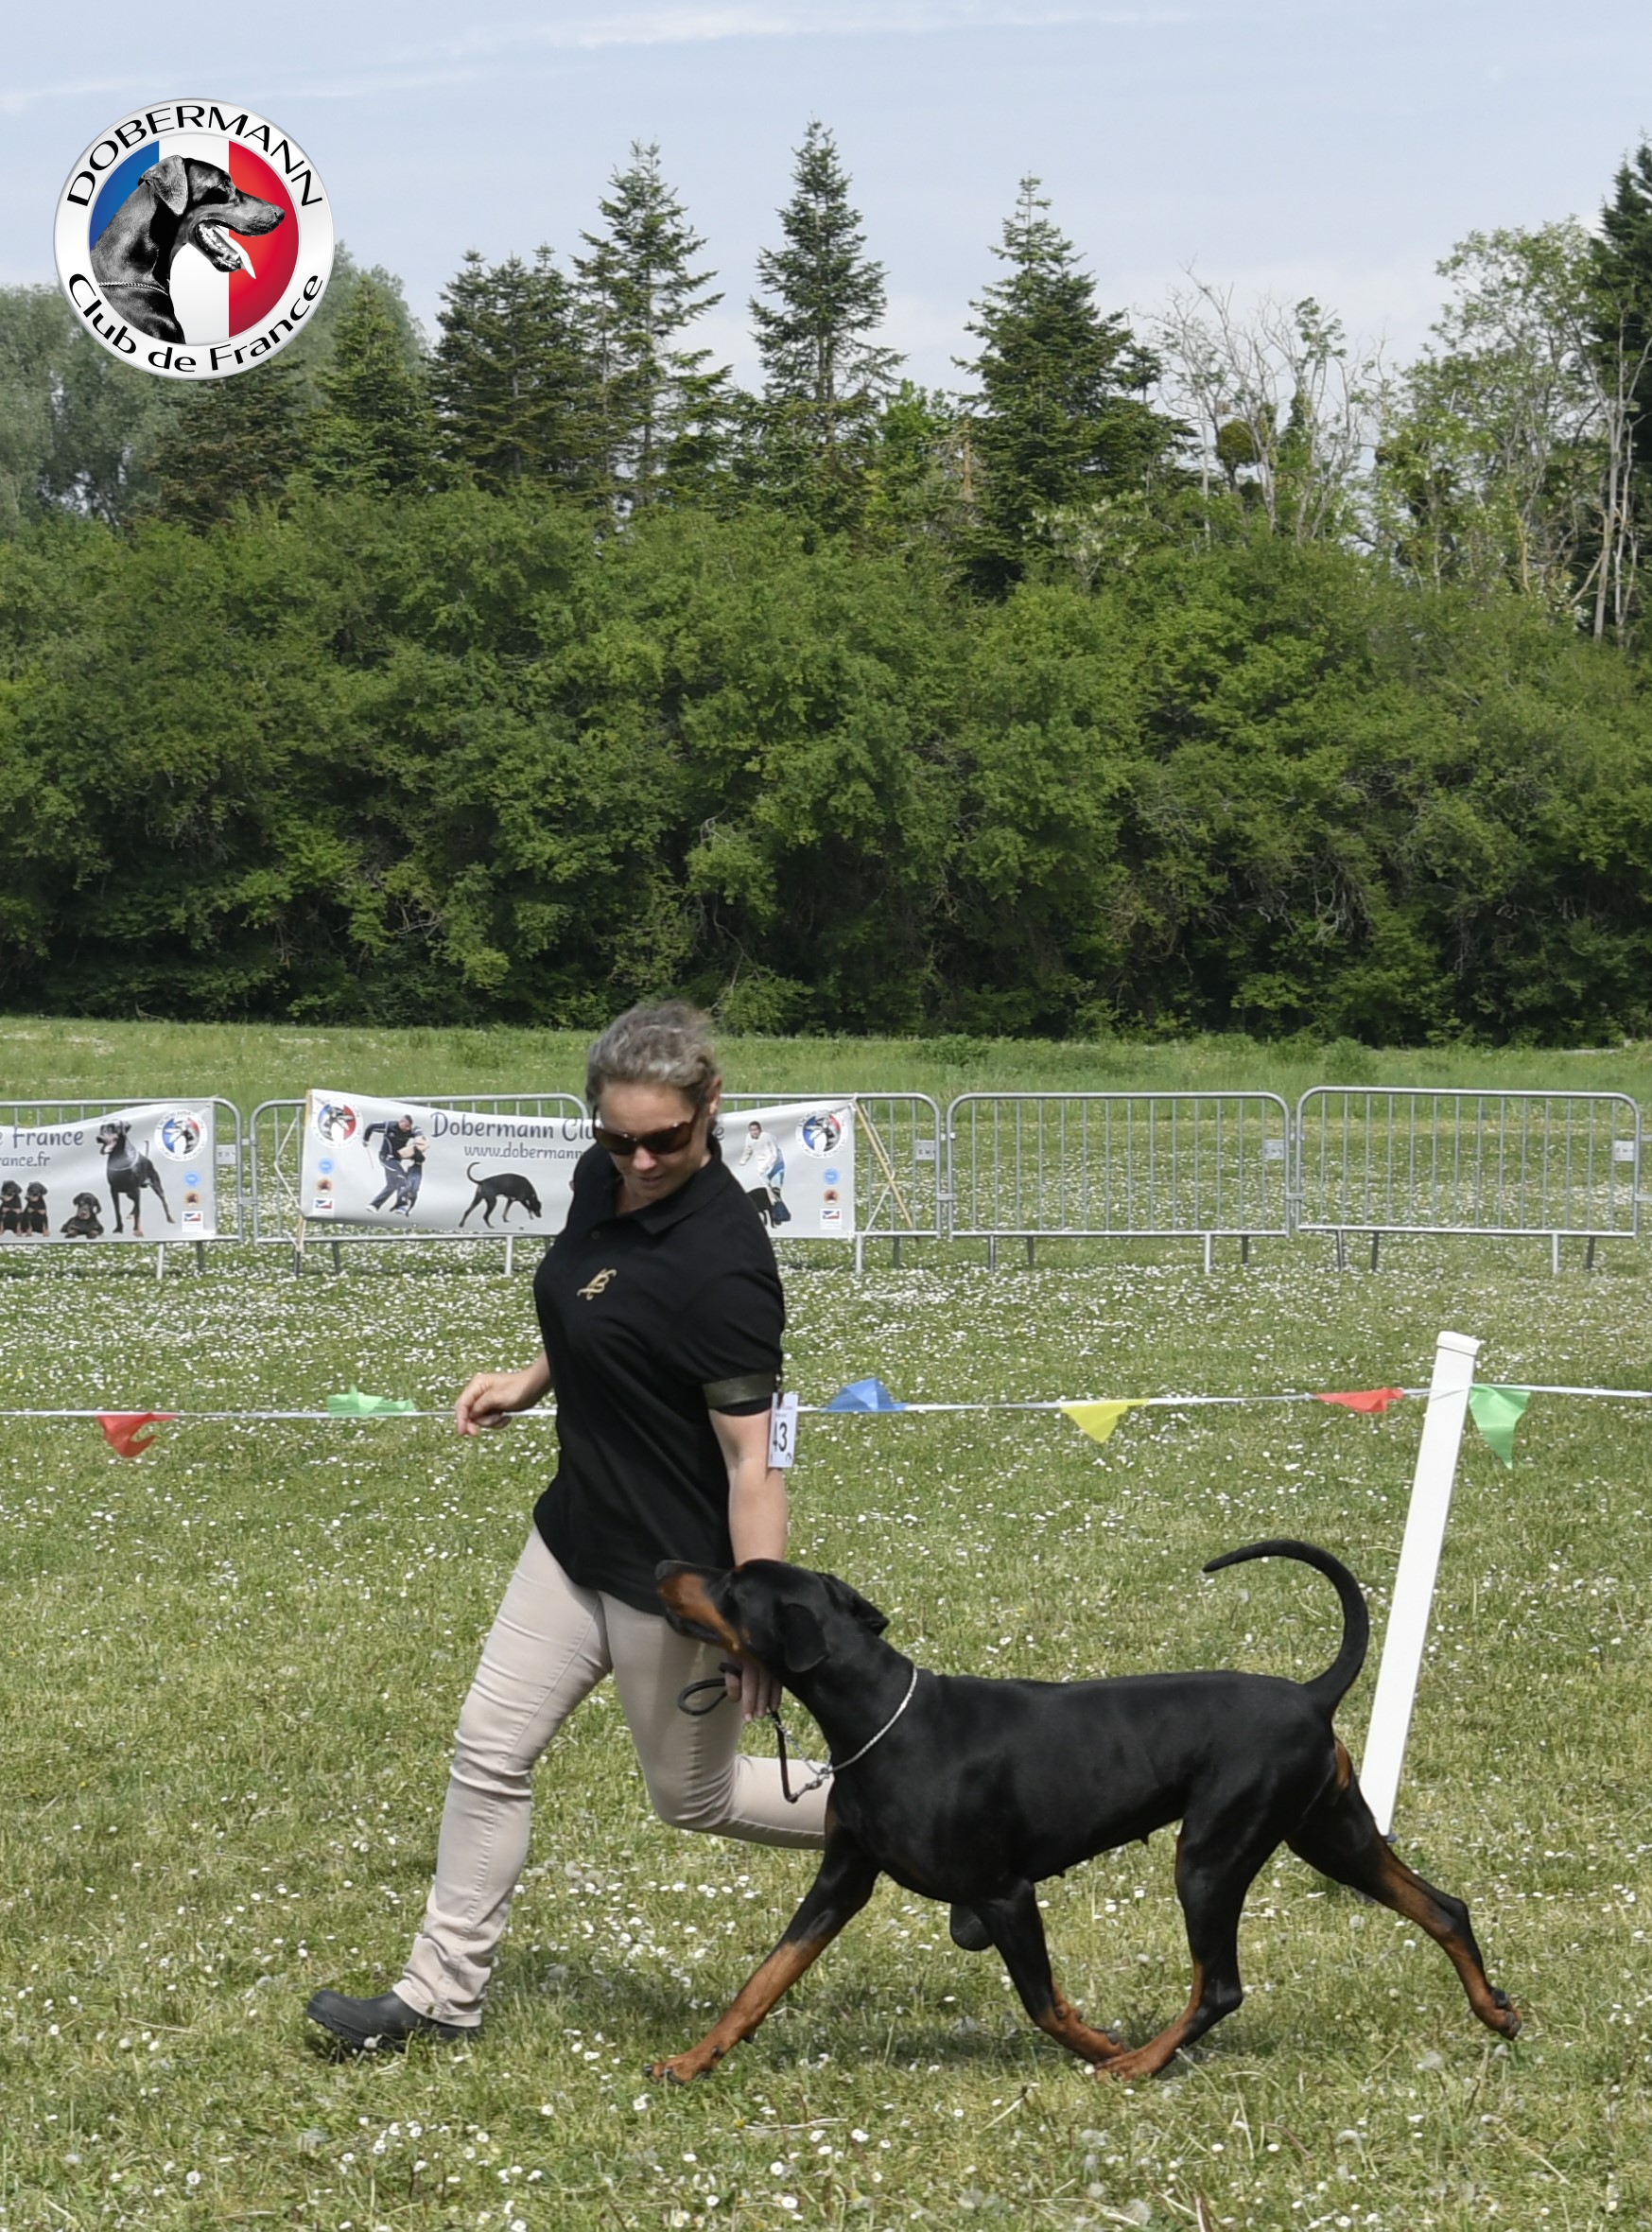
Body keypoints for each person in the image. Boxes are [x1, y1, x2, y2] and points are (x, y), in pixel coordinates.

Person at [305, 1003, 829, 2051]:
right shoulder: (605, 1177)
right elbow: (596, 1300)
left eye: (664, 1139)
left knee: (695, 1797)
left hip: (671, 1578)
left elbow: (754, 1462)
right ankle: (438, 1997)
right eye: (618, 1138)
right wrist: (531, 1376)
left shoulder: (724, 1266)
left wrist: (757, 1618)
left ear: (710, 1107)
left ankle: (940, 1809)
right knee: (487, 1751)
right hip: (573, 1536)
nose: (640, 1161)